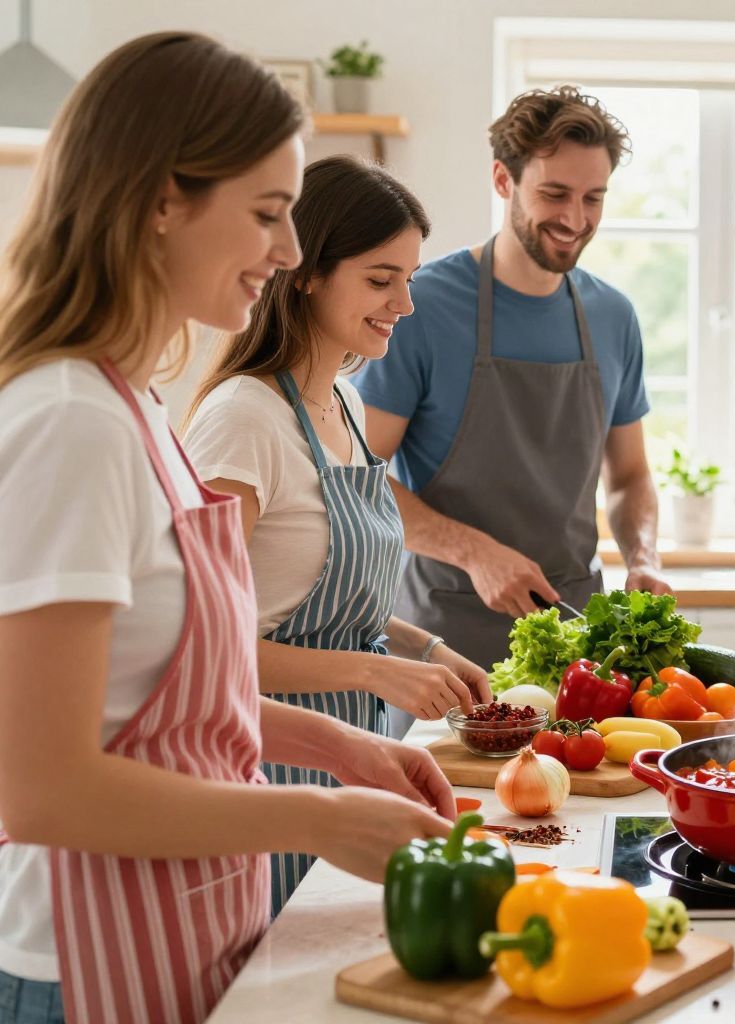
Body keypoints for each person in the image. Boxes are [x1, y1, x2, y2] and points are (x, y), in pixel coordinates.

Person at [0, 34, 453, 1024]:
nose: (290, 253)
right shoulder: (70, 418)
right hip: (84, 956)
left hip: (180, 922)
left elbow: (163, 704)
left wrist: (337, 747)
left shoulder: (132, 406)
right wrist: (318, 811)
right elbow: (43, 787)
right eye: (267, 214)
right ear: (164, 200)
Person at [181, 155, 490, 915]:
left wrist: (426, 650)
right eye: (381, 279)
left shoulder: (345, 406)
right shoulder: (242, 421)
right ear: (306, 272)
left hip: (351, 761)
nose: (405, 304)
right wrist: (375, 674)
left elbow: (309, 595)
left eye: (409, 279)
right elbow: (203, 652)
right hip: (264, 778)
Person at [355, 86, 669, 671]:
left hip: (580, 642)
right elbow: (362, 477)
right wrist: (475, 553)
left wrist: (643, 558)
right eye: (555, 194)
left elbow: (628, 475)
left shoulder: (613, 315)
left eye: (593, 198)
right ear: (503, 180)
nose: (575, 219)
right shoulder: (419, 305)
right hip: (445, 639)